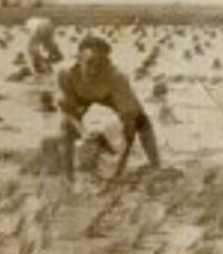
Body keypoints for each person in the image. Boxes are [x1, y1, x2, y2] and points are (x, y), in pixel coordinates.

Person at [57, 34, 160, 180]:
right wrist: (84, 134)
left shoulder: (117, 77)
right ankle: (68, 176)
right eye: (90, 63)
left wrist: (119, 168)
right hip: (80, 95)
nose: (94, 70)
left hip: (109, 94)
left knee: (142, 121)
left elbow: (130, 127)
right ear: (78, 59)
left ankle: (156, 166)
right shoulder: (65, 74)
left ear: (107, 62)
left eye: (100, 64)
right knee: (66, 127)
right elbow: (68, 111)